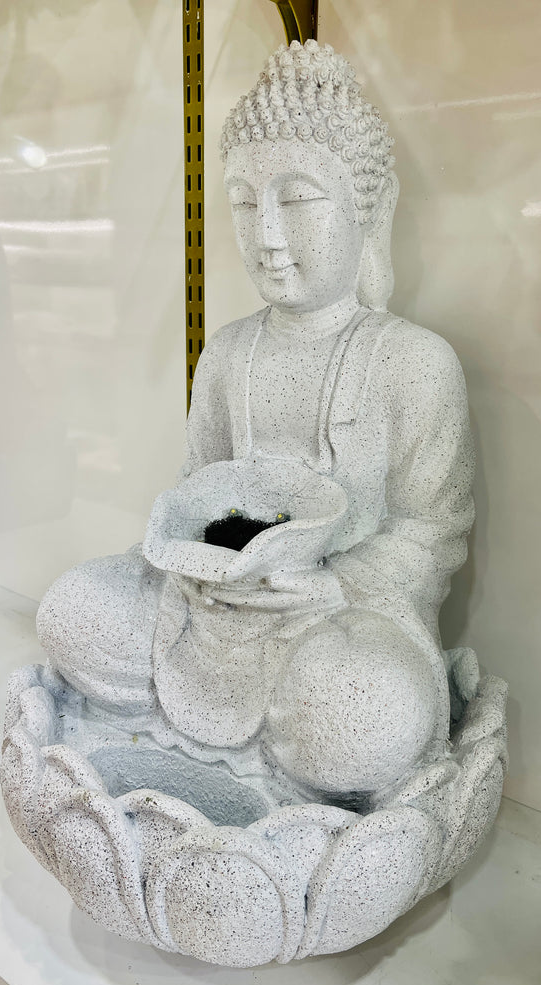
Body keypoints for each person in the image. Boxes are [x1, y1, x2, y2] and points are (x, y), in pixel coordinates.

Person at [37, 40, 475, 801]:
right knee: (75, 610)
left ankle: (297, 739)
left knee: (364, 717)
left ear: (367, 209)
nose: (266, 236)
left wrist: (331, 589)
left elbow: (431, 533)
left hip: (337, 622)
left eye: (298, 201)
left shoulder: (413, 361)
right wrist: (192, 565)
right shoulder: (229, 351)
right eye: (243, 203)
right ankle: (220, 712)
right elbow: (198, 492)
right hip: (210, 606)